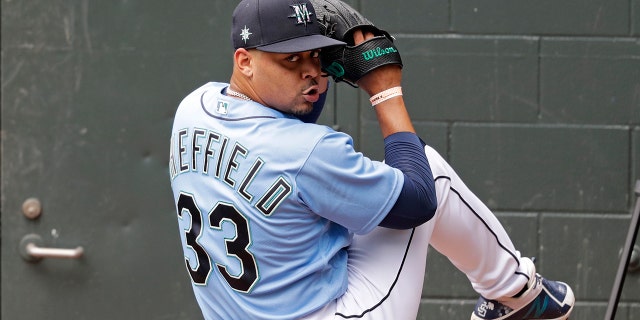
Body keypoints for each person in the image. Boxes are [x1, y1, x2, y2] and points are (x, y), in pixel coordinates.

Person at [168, 0, 575, 319]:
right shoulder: (309, 153)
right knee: (429, 173)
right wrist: (385, 90)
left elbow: (284, 134)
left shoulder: (193, 109)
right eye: (291, 59)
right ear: (245, 61)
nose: (311, 72)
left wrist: (305, 75)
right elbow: (417, 202)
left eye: (317, 57)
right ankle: (517, 294)